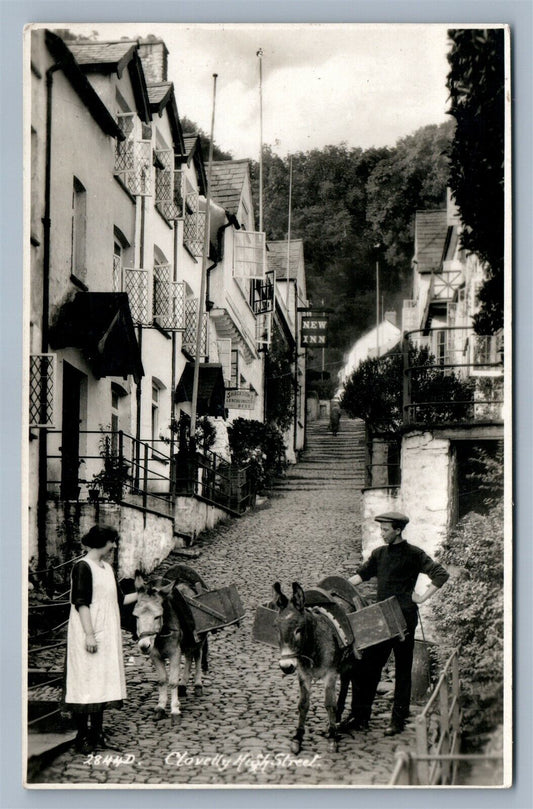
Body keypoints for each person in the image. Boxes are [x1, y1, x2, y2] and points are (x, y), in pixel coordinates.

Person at [344, 511, 449, 736]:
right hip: (380, 619)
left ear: (398, 530)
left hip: (404, 620)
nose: (382, 534)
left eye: (385, 530)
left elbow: (441, 575)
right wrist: (337, 588)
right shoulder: (379, 554)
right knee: (367, 667)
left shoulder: (414, 554)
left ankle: (398, 720)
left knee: (402, 670)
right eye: (381, 530)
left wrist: (421, 597)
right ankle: (360, 716)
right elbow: (361, 576)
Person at [64, 524, 137, 754]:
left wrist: (143, 593)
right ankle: (82, 736)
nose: (114, 546)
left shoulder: (106, 568)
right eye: (112, 541)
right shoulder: (83, 567)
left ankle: (97, 734)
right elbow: (81, 603)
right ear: (102, 542)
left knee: (101, 682)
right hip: (89, 632)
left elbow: (119, 600)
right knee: (84, 682)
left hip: (107, 633)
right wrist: (89, 634)